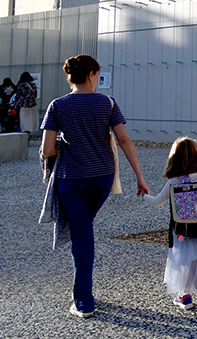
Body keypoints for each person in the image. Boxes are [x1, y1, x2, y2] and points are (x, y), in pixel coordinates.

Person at [41, 54, 149, 318]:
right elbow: (124, 140)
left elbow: (47, 148)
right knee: (84, 228)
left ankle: (83, 301)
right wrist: (140, 176)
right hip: (102, 177)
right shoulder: (107, 103)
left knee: (81, 235)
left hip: (72, 178)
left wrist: (67, 144)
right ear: (91, 74)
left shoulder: (57, 105)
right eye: (98, 75)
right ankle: (82, 294)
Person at [143, 137, 197, 323]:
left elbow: (157, 202)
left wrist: (144, 196)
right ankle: (184, 295)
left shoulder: (175, 181)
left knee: (194, 265)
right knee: (192, 262)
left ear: (175, 158)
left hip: (185, 232)